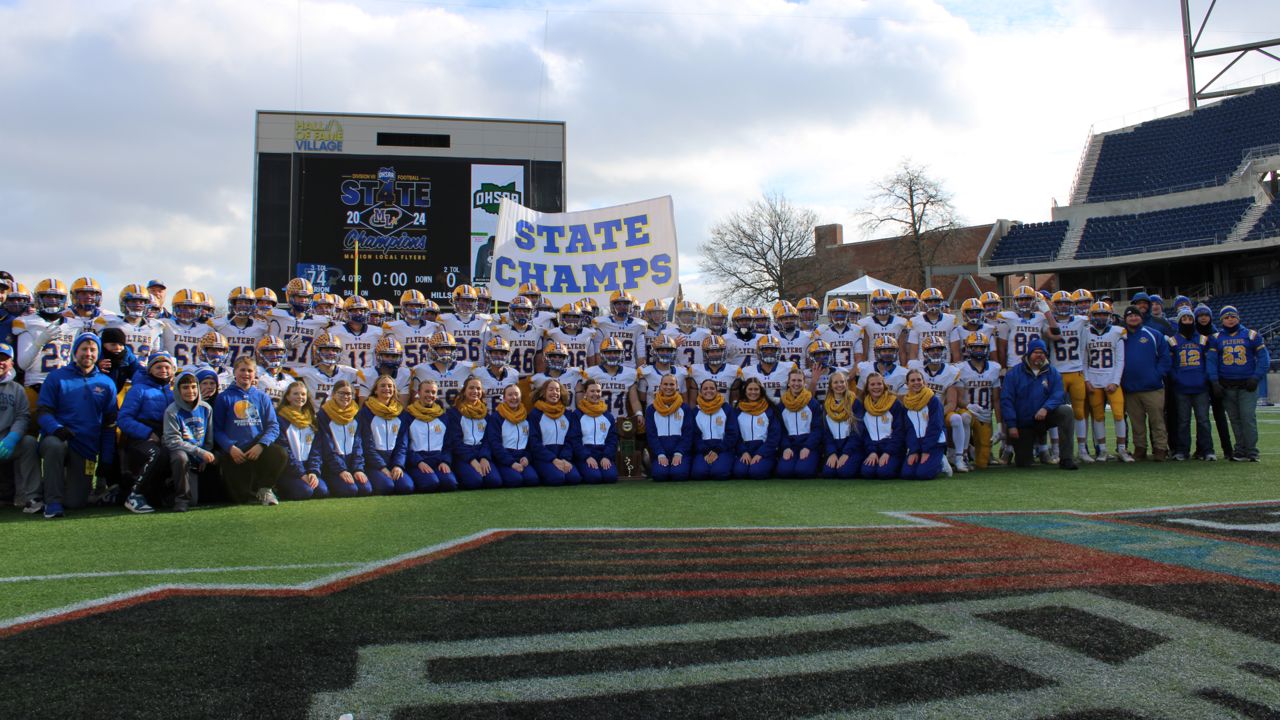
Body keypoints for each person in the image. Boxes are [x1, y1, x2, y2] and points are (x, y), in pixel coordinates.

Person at [36, 332, 119, 517]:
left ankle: (55, 487)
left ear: (98, 353)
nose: (88, 353)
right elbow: (42, 412)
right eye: (84, 349)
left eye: (92, 349)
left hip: (86, 447)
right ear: (75, 351)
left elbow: (109, 425)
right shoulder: (56, 377)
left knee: (76, 503)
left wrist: (105, 459)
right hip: (59, 437)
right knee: (54, 446)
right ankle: (52, 502)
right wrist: (56, 428)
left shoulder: (107, 384)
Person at [212, 356, 288, 505]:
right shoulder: (224, 397)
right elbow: (217, 429)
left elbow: (273, 426)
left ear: (254, 374)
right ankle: (250, 490)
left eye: (249, 371)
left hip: (257, 449)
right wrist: (230, 448)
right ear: (235, 372)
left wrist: (261, 445)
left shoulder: (262, 397)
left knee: (280, 453)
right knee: (240, 499)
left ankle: (265, 489)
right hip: (235, 453)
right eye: (242, 370)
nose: (246, 374)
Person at [999, 338, 1078, 470]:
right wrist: (1012, 425)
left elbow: (1058, 394)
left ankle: (1066, 458)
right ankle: (1026, 450)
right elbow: (1007, 400)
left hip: (1045, 416)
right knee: (1023, 463)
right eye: (1036, 352)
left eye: (1042, 352)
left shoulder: (1052, 372)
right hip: (1023, 421)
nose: (1039, 355)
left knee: (1066, 411)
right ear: (1028, 354)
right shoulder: (1014, 373)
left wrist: (1046, 408)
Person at [116, 351, 177, 513]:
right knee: (156, 454)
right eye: (158, 367)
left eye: (167, 367)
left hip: (165, 436)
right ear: (150, 369)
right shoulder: (138, 390)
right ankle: (134, 495)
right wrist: (148, 433)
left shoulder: (172, 393)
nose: (163, 370)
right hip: (139, 439)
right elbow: (123, 419)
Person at [1208, 305, 1269, 462]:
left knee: (1247, 417)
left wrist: (1256, 377)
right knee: (1234, 419)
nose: (1230, 319)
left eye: (1233, 316)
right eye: (1226, 317)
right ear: (1221, 320)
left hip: (1246, 385)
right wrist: (1214, 381)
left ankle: (1252, 451)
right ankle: (1240, 450)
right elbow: (1212, 361)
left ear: (1238, 318)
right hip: (1227, 386)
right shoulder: (1216, 338)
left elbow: (1264, 358)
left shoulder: (1251, 335)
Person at [161, 370, 216, 511]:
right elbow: (172, 440)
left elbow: (209, 437)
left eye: (193, 387)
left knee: (195, 501)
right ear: (178, 390)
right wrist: (199, 452)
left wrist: (205, 454)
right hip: (179, 453)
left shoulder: (206, 408)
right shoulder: (172, 411)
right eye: (185, 387)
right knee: (180, 457)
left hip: (198, 455)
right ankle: (180, 499)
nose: (190, 391)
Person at [1121, 305, 1170, 461]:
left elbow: (1165, 357)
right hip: (1130, 388)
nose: (1133, 318)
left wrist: (1157, 375)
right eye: (1130, 316)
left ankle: (1160, 449)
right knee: (1137, 422)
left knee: (1157, 421)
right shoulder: (1120, 336)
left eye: (1136, 315)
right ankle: (1140, 448)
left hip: (1152, 387)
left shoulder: (1153, 334)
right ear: (1125, 319)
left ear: (1141, 318)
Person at [1082, 302, 1130, 462]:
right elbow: (1084, 360)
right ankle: (1102, 450)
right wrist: (1087, 380)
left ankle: (1122, 449)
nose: (1101, 317)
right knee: (1098, 416)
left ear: (1109, 316)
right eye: (1098, 314)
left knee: (1118, 414)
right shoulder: (1085, 333)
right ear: (1092, 316)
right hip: (1094, 379)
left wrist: (1115, 381)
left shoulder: (1117, 332)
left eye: (1104, 314)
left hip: (1111, 379)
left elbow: (1120, 360)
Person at [391, 379, 457, 493]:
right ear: (419, 393)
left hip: (438, 460)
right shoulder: (408, 416)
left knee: (450, 484)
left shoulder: (443, 417)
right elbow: (404, 445)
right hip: (417, 461)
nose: (430, 395)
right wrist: (418, 462)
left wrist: (445, 461)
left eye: (433, 392)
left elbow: (448, 445)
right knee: (431, 483)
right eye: (426, 391)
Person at [1166, 307, 1214, 461]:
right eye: (1184, 319)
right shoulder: (1173, 340)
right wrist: (1176, 378)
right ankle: (1182, 450)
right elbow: (1170, 364)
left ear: (1193, 321)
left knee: (1203, 420)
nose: (1187, 322)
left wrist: (1205, 378)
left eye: (1190, 319)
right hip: (1181, 387)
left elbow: (1209, 362)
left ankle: (1207, 450)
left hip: (1200, 387)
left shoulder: (1202, 339)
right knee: (1183, 421)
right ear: (1179, 321)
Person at [0, 343, 41, 514]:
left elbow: (22, 416)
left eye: (4, 359)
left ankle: (30, 497)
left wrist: (12, 438)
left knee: (29, 443)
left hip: (8, 442)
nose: (0, 362)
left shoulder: (17, 389)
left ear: (11, 363)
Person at [357, 374, 413, 494]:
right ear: (376, 390)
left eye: (390, 386)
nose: (386, 388)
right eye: (382, 386)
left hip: (393, 461)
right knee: (386, 487)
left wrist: (397, 465)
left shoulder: (401, 413)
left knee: (406, 487)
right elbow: (367, 445)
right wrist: (382, 467)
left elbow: (402, 444)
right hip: (373, 463)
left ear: (394, 390)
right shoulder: (366, 412)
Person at [316, 380, 371, 497]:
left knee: (365, 489)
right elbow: (327, 447)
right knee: (350, 490)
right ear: (333, 394)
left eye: (349, 394)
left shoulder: (356, 413)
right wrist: (341, 470)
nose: (345, 397)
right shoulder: (324, 414)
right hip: (332, 468)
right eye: (341, 393)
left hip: (351, 465)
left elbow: (358, 444)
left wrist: (358, 469)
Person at [956, 331, 1002, 469]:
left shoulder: (994, 368)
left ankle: (973, 449)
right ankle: (962, 454)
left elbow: (996, 399)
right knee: (964, 418)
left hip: (985, 415)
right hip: (967, 410)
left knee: (982, 463)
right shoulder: (960, 368)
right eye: (975, 347)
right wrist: (968, 406)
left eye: (981, 347)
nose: (978, 350)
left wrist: (999, 425)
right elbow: (957, 397)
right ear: (968, 349)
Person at [274, 380, 325, 500]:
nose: (300, 397)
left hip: (307, 468)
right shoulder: (280, 419)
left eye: (303, 394)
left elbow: (316, 451)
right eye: (295, 394)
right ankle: (279, 488)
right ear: (287, 397)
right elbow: (285, 450)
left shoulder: (311, 419)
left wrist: (313, 471)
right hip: (288, 471)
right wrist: (301, 473)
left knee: (322, 491)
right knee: (305, 492)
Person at [448, 376, 502, 489]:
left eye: (478, 388)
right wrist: (472, 460)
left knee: (494, 481)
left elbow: (488, 440)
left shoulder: (485, 414)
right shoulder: (454, 413)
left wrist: (484, 457)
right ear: (464, 391)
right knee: (474, 482)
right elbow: (455, 442)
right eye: (471, 388)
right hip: (463, 455)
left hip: (481, 453)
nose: (475, 391)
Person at [1195, 303, 1234, 458]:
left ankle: (1227, 449)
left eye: (1206, 315)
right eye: (1200, 315)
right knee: (1202, 417)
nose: (1203, 318)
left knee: (1220, 415)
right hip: (1199, 379)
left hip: (1215, 380)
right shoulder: (1192, 334)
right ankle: (1202, 449)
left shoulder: (1217, 334)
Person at [528, 379, 581, 487]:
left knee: (574, 478)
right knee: (557, 478)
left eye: (557, 390)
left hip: (563, 457)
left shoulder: (567, 414)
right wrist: (553, 459)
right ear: (544, 393)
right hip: (543, 457)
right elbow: (534, 442)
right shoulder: (535, 414)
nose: (554, 393)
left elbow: (570, 440)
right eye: (550, 389)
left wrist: (564, 459)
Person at [486, 384, 538, 487]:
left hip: (522, 458)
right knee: (515, 480)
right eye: (510, 395)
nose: (514, 398)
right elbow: (495, 444)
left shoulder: (526, 417)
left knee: (532, 480)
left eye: (516, 394)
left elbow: (531, 442)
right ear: (504, 398)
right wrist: (511, 463)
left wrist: (527, 457)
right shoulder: (496, 417)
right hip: (504, 458)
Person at [854, 372, 904, 478]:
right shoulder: (862, 405)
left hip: (891, 448)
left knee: (884, 473)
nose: (876, 387)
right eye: (872, 384)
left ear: (884, 385)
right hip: (872, 448)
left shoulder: (894, 403)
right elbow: (864, 432)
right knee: (867, 473)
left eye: (879, 384)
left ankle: (899, 463)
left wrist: (888, 452)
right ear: (867, 387)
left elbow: (899, 431)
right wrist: (872, 451)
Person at [900, 368, 946, 480]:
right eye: (912, 380)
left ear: (923, 382)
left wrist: (926, 450)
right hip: (917, 443)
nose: (916, 383)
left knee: (923, 474)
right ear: (907, 384)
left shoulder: (933, 400)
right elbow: (909, 429)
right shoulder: (906, 403)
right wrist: (914, 451)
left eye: (919, 380)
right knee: (907, 474)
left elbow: (935, 427)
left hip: (934, 443)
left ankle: (942, 462)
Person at [776, 368, 822, 478]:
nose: (796, 384)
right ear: (788, 382)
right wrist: (786, 447)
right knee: (784, 472)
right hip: (790, 445)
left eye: (799, 381)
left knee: (803, 471)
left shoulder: (812, 403)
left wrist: (807, 447)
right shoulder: (782, 405)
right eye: (793, 380)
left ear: (804, 383)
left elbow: (817, 429)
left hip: (808, 444)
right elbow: (780, 430)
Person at [645, 374, 693, 482]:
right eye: (665, 384)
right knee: (659, 476)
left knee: (679, 475)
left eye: (672, 384)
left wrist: (679, 452)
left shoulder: (684, 408)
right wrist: (660, 454)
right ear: (660, 386)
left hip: (680, 452)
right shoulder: (651, 409)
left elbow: (688, 433)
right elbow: (651, 435)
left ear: (677, 387)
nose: (668, 387)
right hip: (660, 452)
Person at [689, 377, 739, 480]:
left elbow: (732, 433)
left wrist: (717, 450)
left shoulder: (726, 408)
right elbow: (694, 435)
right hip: (703, 450)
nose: (709, 391)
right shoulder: (695, 411)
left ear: (717, 391)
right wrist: (705, 451)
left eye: (712, 388)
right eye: (705, 388)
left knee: (719, 473)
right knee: (699, 474)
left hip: (723, 448)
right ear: (700, 391)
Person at [572, 378, 618, 484]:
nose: (595, 394)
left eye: (598, 391)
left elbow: (612, 439)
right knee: (594, 477)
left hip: (603, 453)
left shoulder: (608, 415)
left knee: (610, 477)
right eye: (592, 391)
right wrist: (586, 456)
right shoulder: (577, 414)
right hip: (585, 454)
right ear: (585, 393)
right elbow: (575, 440)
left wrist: (607, 456)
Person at [733, 376, 779, 479]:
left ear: (761, 391)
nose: (753, 392)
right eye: (750, 389)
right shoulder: (738, 410)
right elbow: (735, 435)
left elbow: (774, 435)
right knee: (739, 472)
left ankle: (772, 464)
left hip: (764, 450)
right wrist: (743, 452)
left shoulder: (769, 410)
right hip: (745, 449)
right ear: (745, 391)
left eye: (756, 389)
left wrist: (760, 453)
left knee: (756, 472)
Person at [819, 370, 861, 479]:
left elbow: (857, 431)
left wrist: (846, 453)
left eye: (842, 382)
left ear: (846, 384)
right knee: (828, 473)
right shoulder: (826, 405)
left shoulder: (855, 402)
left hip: (851, 447)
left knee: (844, 472)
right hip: (834, 447)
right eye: (836, 382)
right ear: (831, 386)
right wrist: (831, 452)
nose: (839, 385)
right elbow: (825, 433)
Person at [330, 296, 383, 377]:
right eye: (354, 310)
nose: (358, 313)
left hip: (368, 377)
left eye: (362, 310)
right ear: (346, 312)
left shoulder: (377, 332)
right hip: (344, 377)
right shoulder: (335, 332)